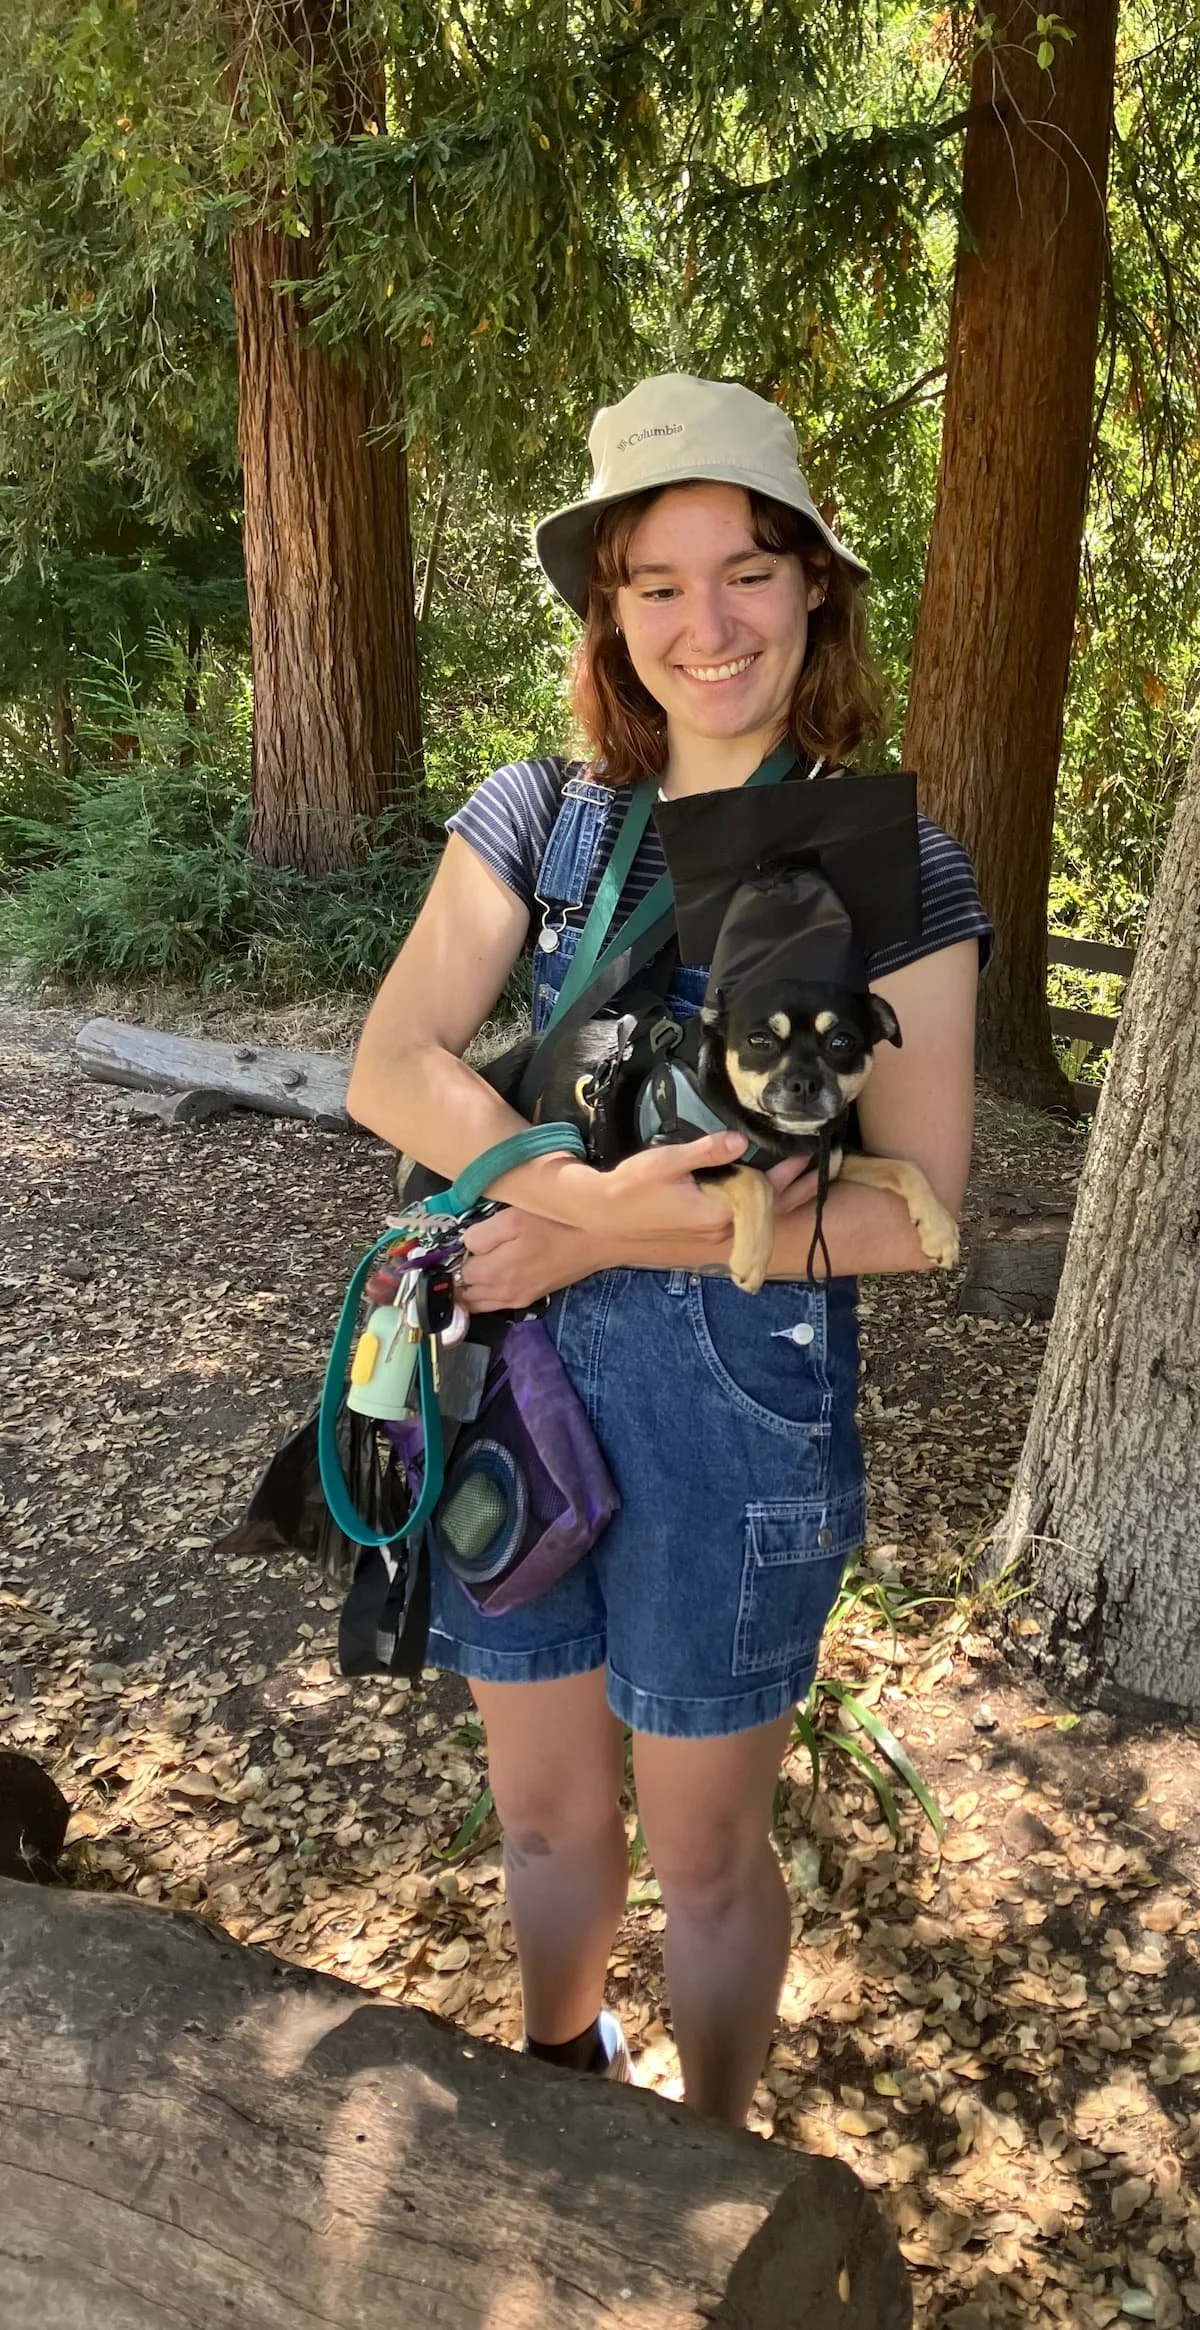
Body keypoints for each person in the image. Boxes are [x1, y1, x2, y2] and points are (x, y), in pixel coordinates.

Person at [347, 374, 990, 2125]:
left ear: (815, 595)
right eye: (657, 583)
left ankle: (712, 2180)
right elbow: (387, 1064)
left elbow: (911, 1208)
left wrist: (593, 1234)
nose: (708, 626)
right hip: (516, 1377)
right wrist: (582, 1213)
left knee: (703, 1858)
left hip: (738, 1410)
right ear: (609, 616)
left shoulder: (899, 870)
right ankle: (564, 2083)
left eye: (751, 572)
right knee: (548, 1811)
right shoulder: (534, 820)